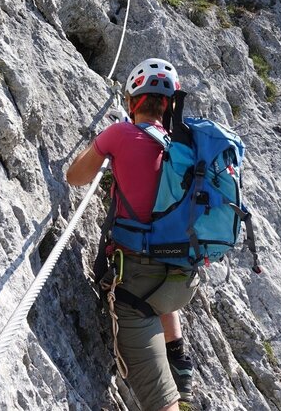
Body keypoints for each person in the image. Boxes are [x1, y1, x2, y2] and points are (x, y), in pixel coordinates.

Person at [66, 58, 197, 411]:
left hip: (135, 284)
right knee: (160, 255)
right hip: (181, 282)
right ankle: (178, 356)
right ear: (170, 106)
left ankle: (172, 381)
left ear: (131, 101)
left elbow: (75, 177)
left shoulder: (120, 134)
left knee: (161, 402)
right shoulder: (182, 147)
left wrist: (107, 145)